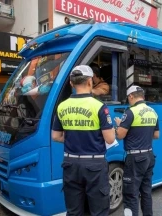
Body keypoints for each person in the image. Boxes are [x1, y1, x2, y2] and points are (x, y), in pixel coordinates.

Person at [51, 65, 116, 216]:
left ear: (71, 83)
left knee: (74, 211)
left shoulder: (62, 106)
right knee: (98, 211)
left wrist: (75, 136)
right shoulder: (99, 106)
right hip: (94, 166)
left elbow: (56, 136)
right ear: (90, 82)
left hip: (70, 164)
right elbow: (110, 138)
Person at [114, 85, 160, 216]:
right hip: (149, 156)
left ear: (131, 96)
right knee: (146, 192)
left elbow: (120, 135)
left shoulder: (130, 112)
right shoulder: (152, 111)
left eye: (128, 98)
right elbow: (156, 135)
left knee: (130, 194)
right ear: (143, 96)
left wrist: (119, 125)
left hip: (135, 158)